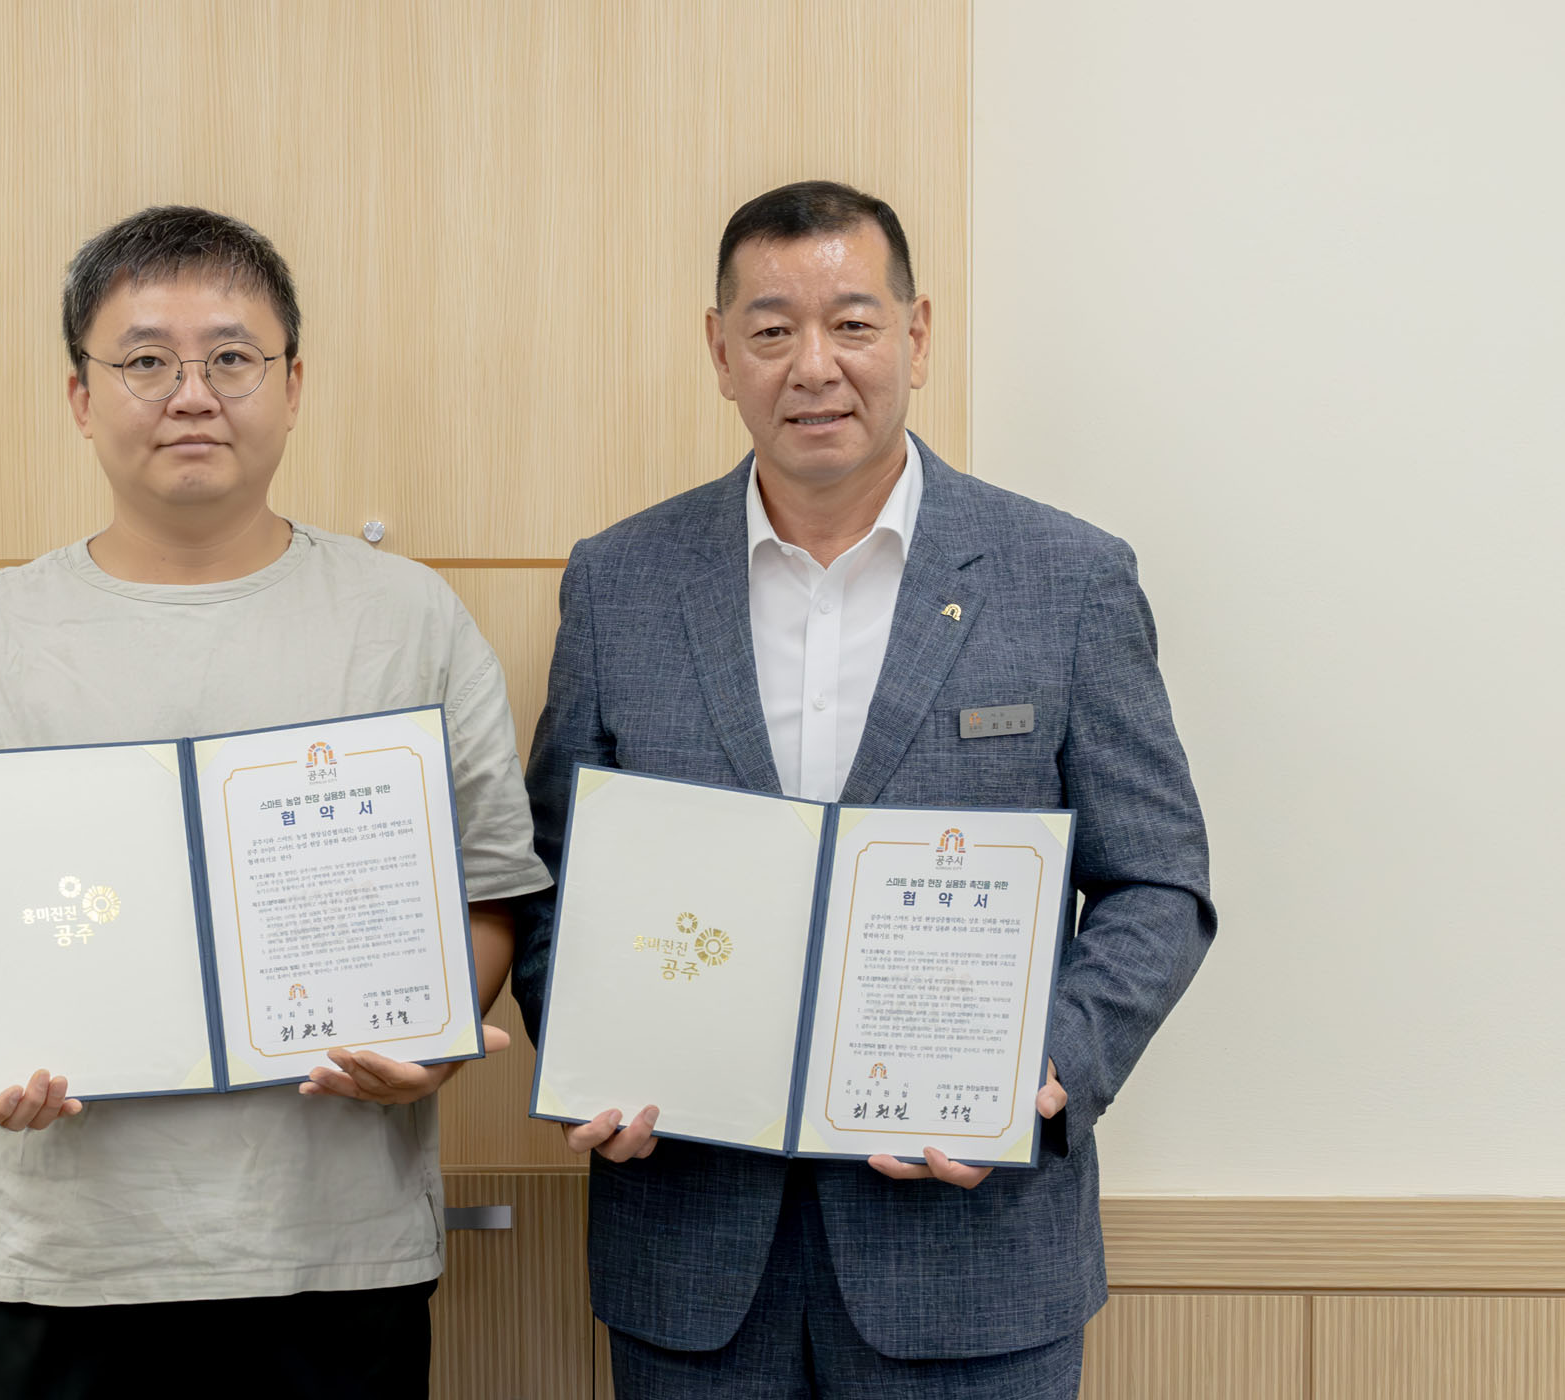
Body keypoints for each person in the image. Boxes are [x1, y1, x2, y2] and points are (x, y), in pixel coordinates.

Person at [0, 204, 549, 1400]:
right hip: (60, 1259)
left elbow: (490, 892)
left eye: (232, 357)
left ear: (293, 385)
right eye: (146, 360)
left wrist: (432, 1035)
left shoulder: (407, 619)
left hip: (335, 1251)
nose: (191, 394)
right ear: (80, 395)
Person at [512, 180, 1216, 1398]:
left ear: (917, 335)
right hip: (691, 1252)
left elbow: (1158, 882)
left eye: (852, 323)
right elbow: (549, 871)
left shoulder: (1068, 579)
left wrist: (1045, 1069)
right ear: (719, 351)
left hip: (971, 1260)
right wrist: (584, 1047)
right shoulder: (621, 581)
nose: (814, 366)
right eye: (772, 329)